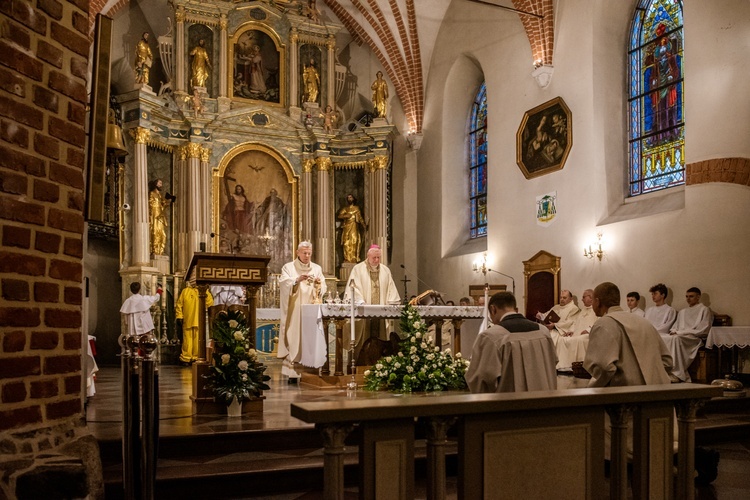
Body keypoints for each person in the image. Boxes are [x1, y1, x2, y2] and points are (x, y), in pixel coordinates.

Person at [465, 291, 556, 393]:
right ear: (516, 309)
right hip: (544, 402)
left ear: (493, 309)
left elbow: (481, 379)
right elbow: (553, 362)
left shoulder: (491, 336)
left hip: (510, 405)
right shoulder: (543, 332)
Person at [278, 241, 327, 382]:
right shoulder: (288, 267)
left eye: (309, 253)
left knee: (310, 339)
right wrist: (296, 280)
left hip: (311, 311)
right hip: (295, 311)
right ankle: (293, 373)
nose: (307, 256)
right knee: (295, 339)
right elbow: (284, 284)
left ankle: (310, 372)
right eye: (304, 253)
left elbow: (323, 286)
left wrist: (318, 285)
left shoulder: (316, 268)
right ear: (297, 252)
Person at [344, 245, 401, 358]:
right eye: (374, 257)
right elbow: (353, 288)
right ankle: (360, 362)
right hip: (364, 311)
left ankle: (380, 363)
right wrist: (360, 300)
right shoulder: (358, 269)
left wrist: (392, 302)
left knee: (381, 337)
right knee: (363, 337)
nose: (376, 260)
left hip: (381, 313)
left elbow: (391, 288)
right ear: (368, 256)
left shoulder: (385, 270)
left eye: (378, 257)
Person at [664, 287, 713, 382]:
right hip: (682, 336)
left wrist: (680, 332)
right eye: (686, 296)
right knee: (665, 337)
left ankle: (676, 373)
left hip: (694, 338)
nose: (688, 299)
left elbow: (703, 330)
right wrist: (673, 331)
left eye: (691, 296)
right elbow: (675, 326)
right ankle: (667, 371)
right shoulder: (683, 311)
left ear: (698, 297)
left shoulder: (704, 310)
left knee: (676, 339)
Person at [555, 289, 597, 372]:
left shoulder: (597, 310)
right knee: (562, 340)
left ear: (591, 298)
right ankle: (564, 365)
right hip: (577, 334)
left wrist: (588, 330)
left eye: (584, 297)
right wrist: (571, 331)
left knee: (578, 340)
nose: (582, 299)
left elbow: (599, 323)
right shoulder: (583, 310)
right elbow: (575, 323)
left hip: (589, 335)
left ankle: (579, 365)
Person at [175, 283, 214, 365]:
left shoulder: (204, 291)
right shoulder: (185, 291)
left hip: (199, 320)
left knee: (197, 341)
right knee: (187, 341)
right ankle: (185, 358)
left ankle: (196, 357)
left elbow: (210, 304)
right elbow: (179, 304)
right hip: (187, 319)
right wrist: (179, 316)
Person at [336, 194, 366, 263]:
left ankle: (353, 257)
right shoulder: (345, 208)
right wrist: (346, 216)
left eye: (351, 197)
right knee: (346, 242)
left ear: (353, 199)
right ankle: (347, 258)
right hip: (346, 226)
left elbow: (360, 218)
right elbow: (339, 216)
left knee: (354, 241)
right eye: (348, 198)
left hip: (354, 226)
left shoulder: (356, 208)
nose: (349, 199)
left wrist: (364, 225)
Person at [148, 178, 172, 255]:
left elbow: (163, 204)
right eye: (159, 183)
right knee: (155, 231)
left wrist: (168, 202)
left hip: (160, 214)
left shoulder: (159, 195)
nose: (161, 185)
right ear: (156, 184)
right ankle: (154, 249)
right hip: (155, 214)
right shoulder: (152, 193)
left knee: (162, 233)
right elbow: (150, 204)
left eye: (161, 183)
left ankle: (161, 250)